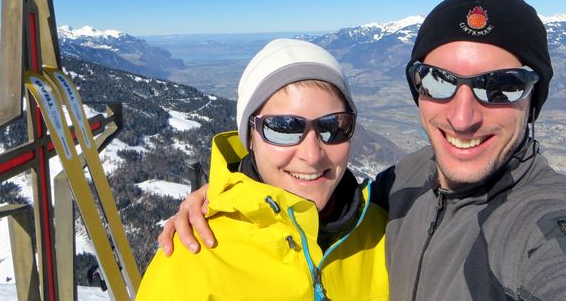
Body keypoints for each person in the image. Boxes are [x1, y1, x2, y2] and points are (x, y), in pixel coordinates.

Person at [159, 0, 566, 300]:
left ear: (534, 101)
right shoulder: (400, 185)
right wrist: (226, 196)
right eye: (438, 81)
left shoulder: (543, 225)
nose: (463, 116)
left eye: (501, 87)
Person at [137, 38, 389, 300]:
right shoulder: (190, 260)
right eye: (284, 128)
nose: (312, 155)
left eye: (333, 126)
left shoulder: (391, 235)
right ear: (250, 138)